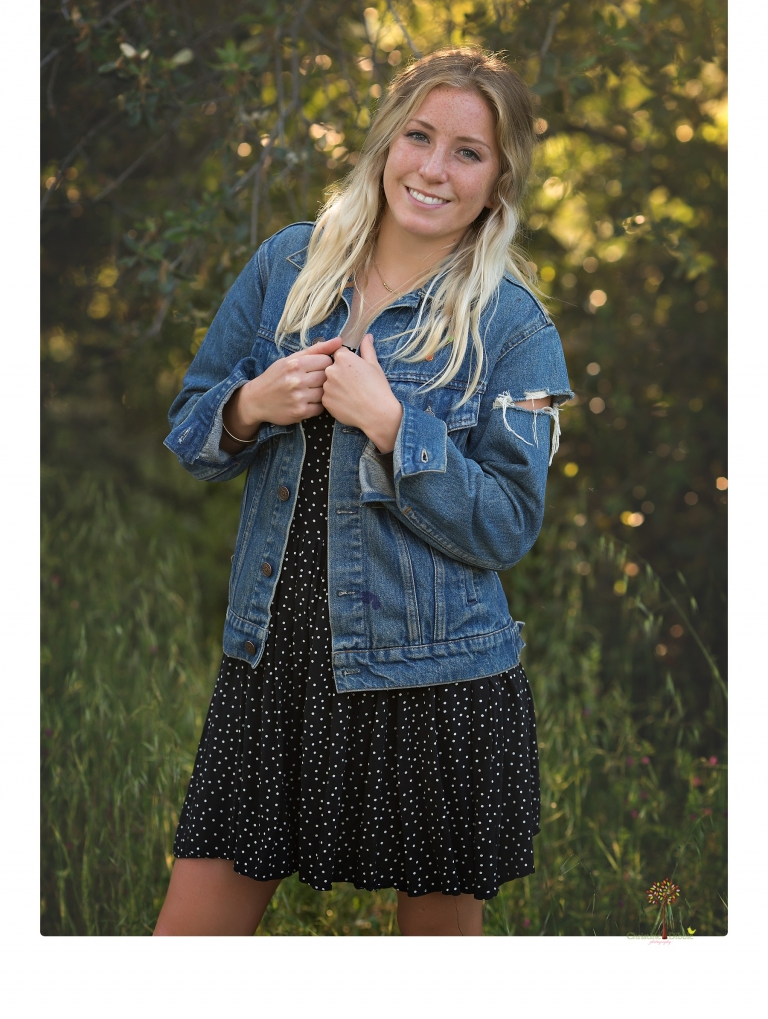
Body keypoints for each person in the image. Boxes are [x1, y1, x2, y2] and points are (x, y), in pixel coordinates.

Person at [154, 47, 573, 937]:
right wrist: (250, 405)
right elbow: (192, 432)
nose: (433, 167)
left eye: (468, 151)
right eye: (419, 136)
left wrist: (395, 429)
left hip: (438, 681)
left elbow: (508, 524)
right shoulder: (286, 269)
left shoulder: (514, 326)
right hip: (274, 666)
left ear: (499, 180)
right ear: (386, 143)